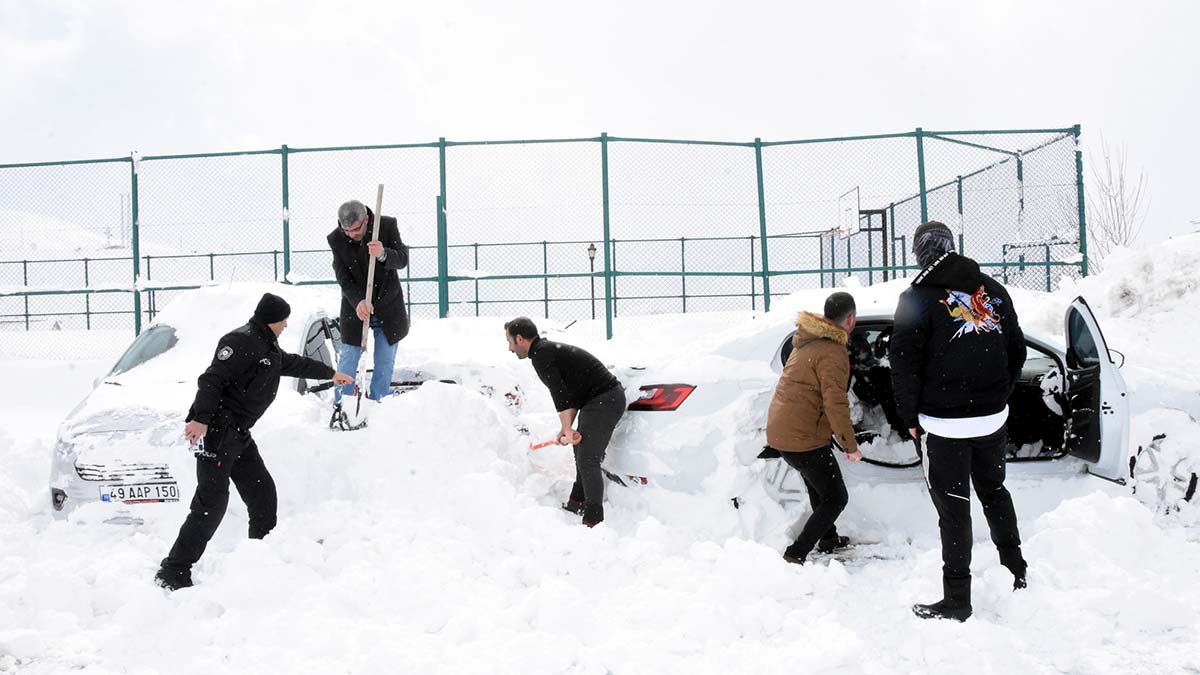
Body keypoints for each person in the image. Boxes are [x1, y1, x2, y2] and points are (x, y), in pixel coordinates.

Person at [155, 293, 353, 590]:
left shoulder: (265, 344)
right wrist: (201, 419)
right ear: (273, 319)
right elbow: (211, 380)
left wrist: (331, 374)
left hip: (238, 435)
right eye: (284, 319)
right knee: (211, 505)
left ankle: (259, 560)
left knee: (262, 496)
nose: (286, 324)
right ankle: (173, 570)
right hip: (217, 433)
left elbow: (290, 363)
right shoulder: (239, 342)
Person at [890, 220, 1029, 622]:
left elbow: (903, 364)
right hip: (991, 420)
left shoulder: (916, 297)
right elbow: (1016, 351)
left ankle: (957, 600)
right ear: (953, 247)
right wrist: (998, 395)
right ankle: (1016, 571)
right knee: (995, 492)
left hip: (944, 425)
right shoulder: (994, 290)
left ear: (919, 254)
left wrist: (909, 417)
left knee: (954, 511)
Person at [764, 292, 864, 565]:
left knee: (817, 486)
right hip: (802, 437)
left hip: (784, 432)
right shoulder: (832, 352)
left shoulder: (808, 341)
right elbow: (835, 403)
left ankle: (828, 538)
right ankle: (796, 553)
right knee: (836, 497)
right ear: (851, 319)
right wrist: (850, 446)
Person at [505, 317, 624, 527]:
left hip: (605, 399)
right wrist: (565, 428)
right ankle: (577, 501)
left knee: (588, 458)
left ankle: (594, 520)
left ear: (520, 339)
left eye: (510, 342)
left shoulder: (541, 355)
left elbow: (559, 394)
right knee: (580, 451)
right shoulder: (545, 351)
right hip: (595, 400)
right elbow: (572, 394)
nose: (509, 348)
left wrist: (568, 427)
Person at [327, 199, 410, 420]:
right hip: (356, 308)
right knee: (349, 357)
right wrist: (358, 301)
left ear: (366, 220)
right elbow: (343, 277)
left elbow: (403, 259)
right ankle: (342, 404)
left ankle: (378, 404)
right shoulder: (337, 239)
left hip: (387, 306)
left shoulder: (387, 226)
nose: (352, 235)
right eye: (347, 231)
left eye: (356, 230)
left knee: (384, 360)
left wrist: (384, 254)